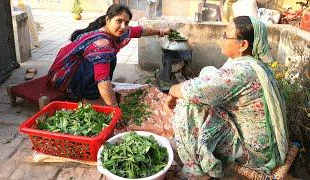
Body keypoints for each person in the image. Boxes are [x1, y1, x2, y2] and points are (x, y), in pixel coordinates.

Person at [166, 16, 288, 179]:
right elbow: (211, 82)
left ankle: (197, 173)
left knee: (187, 107)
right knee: (208, 72)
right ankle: (196, 153)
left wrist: (172, 91)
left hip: (254, 151)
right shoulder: (254, 64)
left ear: (243, 45)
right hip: (263, 142)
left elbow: (196, 91)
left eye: (226, 35)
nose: (221, 38)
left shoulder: (242, 72)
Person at [47, 4, 170, 106]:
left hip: (75, 70)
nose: (123, 26)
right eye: (119, 21)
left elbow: (140, 30)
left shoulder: (117, 31)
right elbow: (103, 80)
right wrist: (114, 107)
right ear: (107, 20)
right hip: (64, 77)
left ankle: (92, 91)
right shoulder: (102, 44)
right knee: (106, 59)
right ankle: (88, 97)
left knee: (108, 59)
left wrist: (161, 32)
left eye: (126, 23)